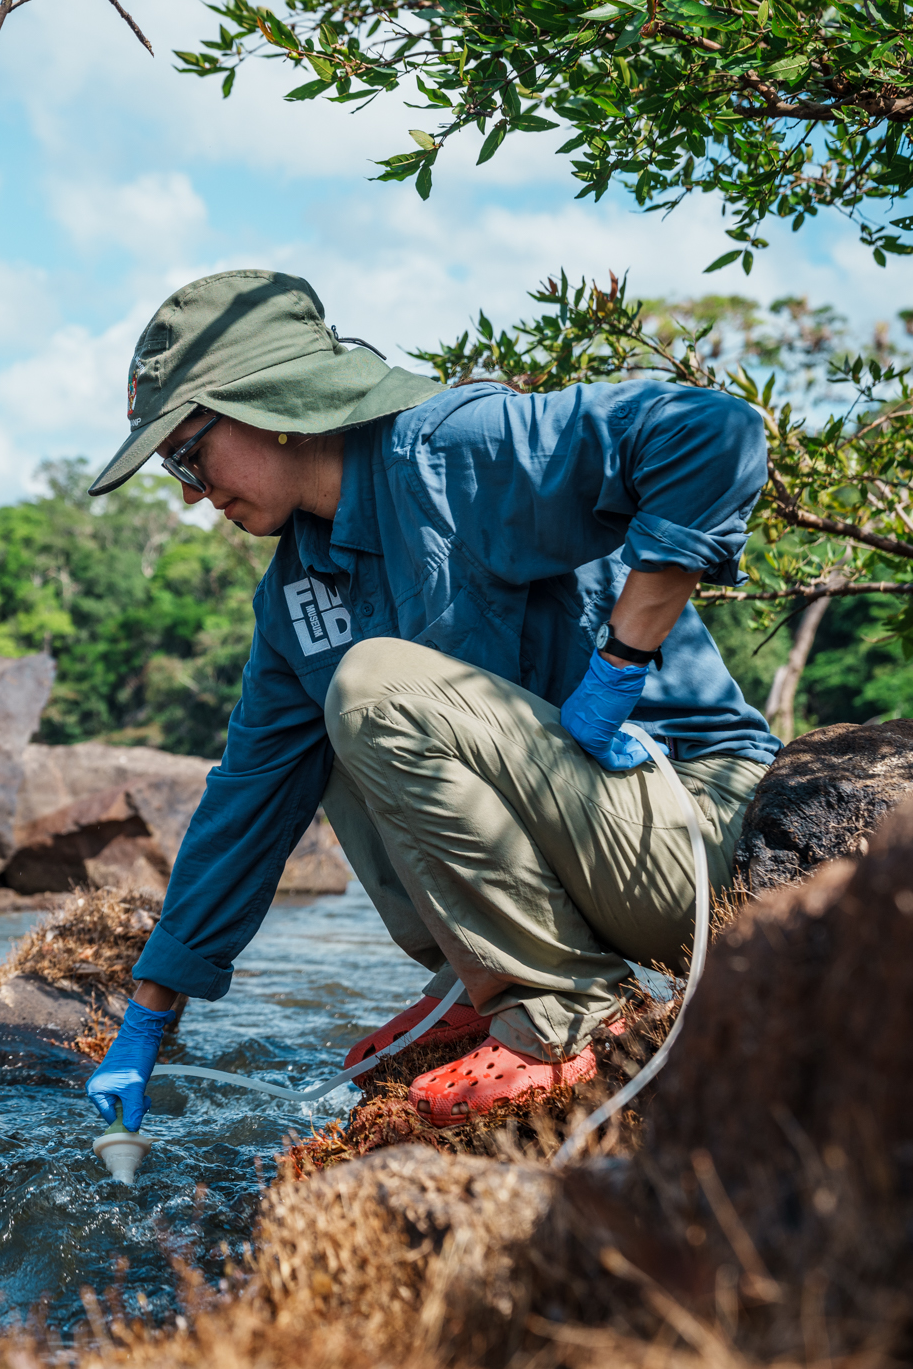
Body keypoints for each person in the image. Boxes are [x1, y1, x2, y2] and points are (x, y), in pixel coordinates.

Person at [81, 270, 779, 1130]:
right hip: (588, 855)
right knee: (324, 718)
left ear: (271, 404)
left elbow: (716, 435)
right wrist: (147, 1019)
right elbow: (249, 798)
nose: (190, 491)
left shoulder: (457, 448)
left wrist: (619, 666)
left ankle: (563, 1012)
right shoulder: (300, 587)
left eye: (188, 453)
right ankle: (481, 974)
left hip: (691, 833)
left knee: (370, 686)